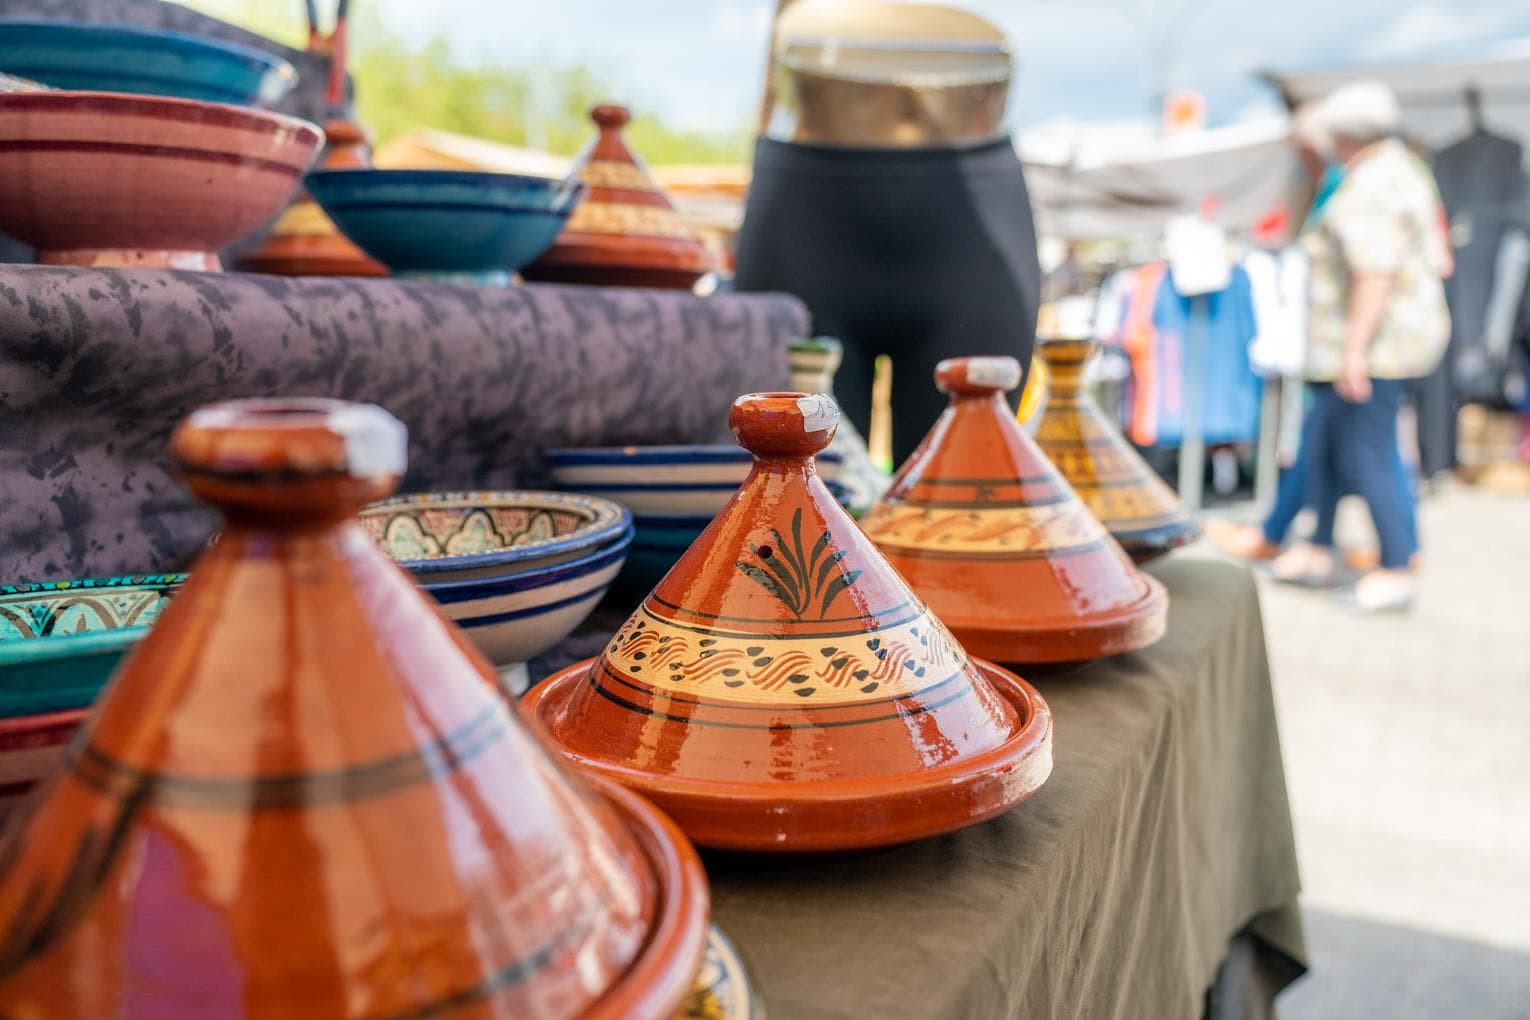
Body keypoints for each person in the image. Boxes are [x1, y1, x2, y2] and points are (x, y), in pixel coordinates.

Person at [1266, 81, 1452, 611]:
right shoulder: (1399, 168)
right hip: (1373, 342)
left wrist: (1353, 353)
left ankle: (1396, 565)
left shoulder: (1372, 183)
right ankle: (1319, 547)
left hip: (1372, 347)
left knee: (1368, 451)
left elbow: (1374, 272)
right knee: (1327, 444)